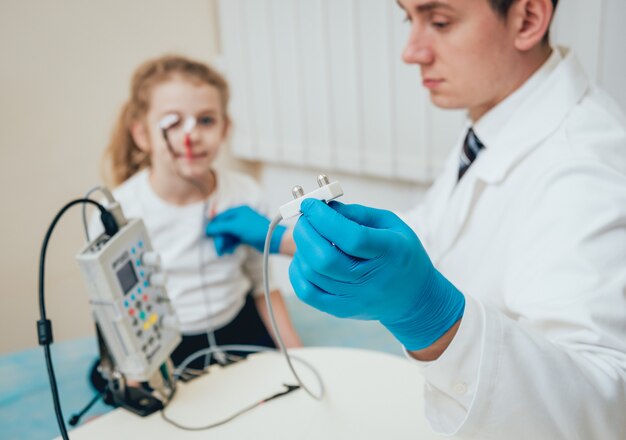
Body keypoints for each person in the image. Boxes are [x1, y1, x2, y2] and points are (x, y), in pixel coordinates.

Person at [205, 0, 626, 438]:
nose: (411, 51)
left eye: (439, 21)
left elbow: (601, 408)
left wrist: (434, 320)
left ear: (527, 20)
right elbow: (438, 228)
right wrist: (279, 238)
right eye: (411, 19)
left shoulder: (584, 167)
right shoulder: (496, 121)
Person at [90, 54, 302, 389]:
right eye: (173, 122)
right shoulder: (117, 211)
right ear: (143, 135)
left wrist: (299, 356)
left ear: (225, 128)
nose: (192, 135)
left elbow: (263, 284)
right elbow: (115, 309)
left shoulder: (243, 192)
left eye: (206, 120)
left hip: (237, 321)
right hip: (164, 340)